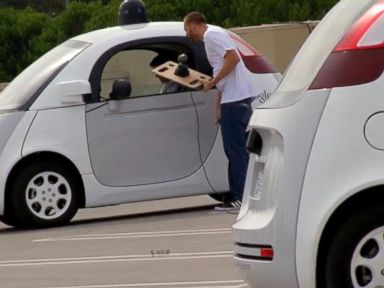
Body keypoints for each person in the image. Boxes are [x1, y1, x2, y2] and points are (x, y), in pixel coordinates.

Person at [184, 11, 254, 211]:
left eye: (187, 29)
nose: (187, 34)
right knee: (237, 150)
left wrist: (212, 82)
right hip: (233, 98)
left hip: (235, 100)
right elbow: (224, 68)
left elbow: (232, 59)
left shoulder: (211, 36)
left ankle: (239, 197)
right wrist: (218, 103)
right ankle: (242, 195)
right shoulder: (216, 34)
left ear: (194, 25)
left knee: (236, 151)